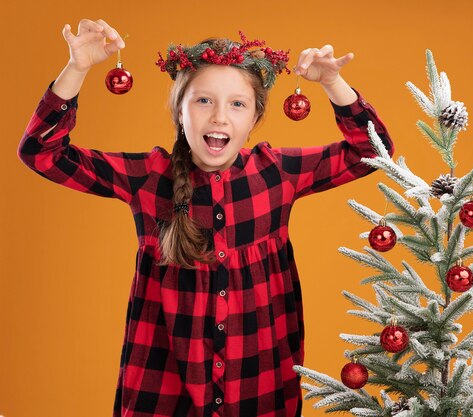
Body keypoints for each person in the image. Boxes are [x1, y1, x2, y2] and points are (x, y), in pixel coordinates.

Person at [18, 18, 394, 417]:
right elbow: (43, 153)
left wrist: (333, 84)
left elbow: (372, 150)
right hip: (163, 385)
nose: (219, 117)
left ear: (254, 118)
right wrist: (76, 68)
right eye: (203, 100)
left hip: (259, 381)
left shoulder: (276, 172)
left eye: (237, 103)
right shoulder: (148, 177)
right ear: (179, 112)